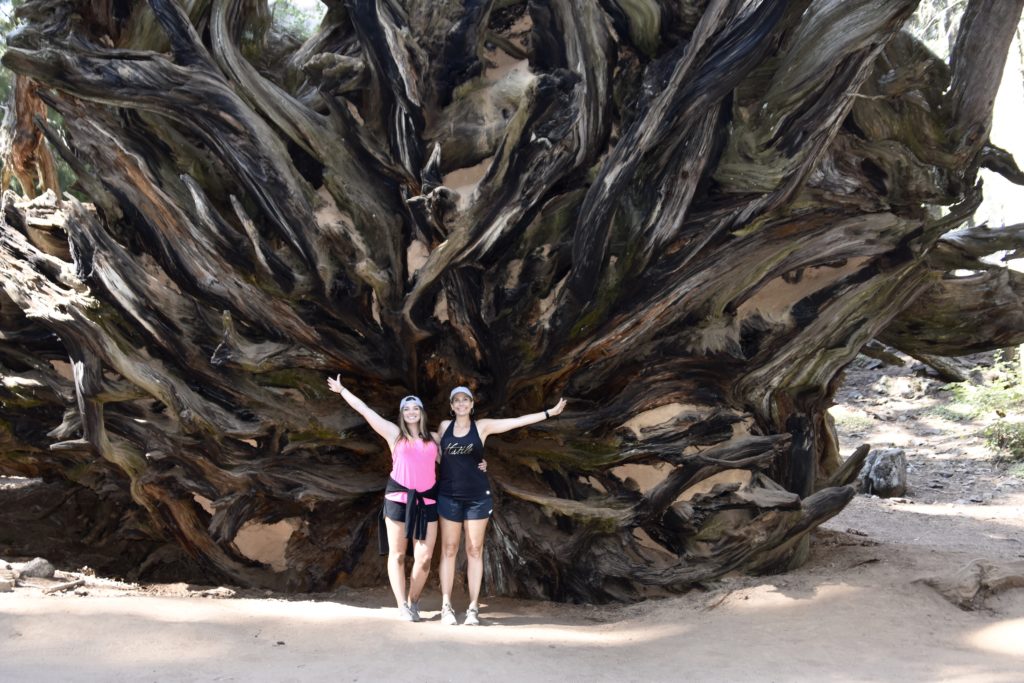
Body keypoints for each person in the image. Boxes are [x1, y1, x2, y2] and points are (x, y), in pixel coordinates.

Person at [436, 385, 567, 626]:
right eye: (457, 400)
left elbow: (515, 421)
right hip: (449, 496)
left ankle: (473, 608)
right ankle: (446, 606)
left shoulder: (482, 427)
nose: (462, 404)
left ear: (472, 405)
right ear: (452, 406)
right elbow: (431, 452)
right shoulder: (444, 428)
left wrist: (548, 413)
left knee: (474, 549)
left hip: (477, 497)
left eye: (466, 400)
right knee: (449, 549)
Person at [326, 376, 439, 622]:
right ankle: (402, 606)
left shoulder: (434, 440)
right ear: (402, 414)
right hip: (397, 498)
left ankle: (414, 600)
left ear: (421, 412)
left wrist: (480, 464)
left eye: (415, 408)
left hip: (427, 502)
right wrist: (343, 389)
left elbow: (458, 457)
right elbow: (365, 410)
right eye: (406, 409)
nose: (411, 412)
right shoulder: (394, 434)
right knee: (397, 554)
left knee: (425, 558)